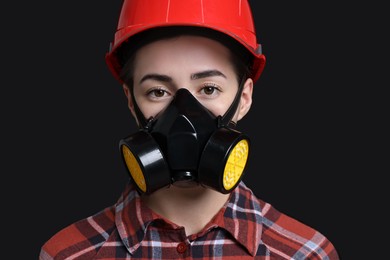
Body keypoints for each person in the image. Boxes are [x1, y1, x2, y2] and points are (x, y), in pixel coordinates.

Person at [39, 0, 339, 259]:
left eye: (208, 88)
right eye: (157, 92)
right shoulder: (69, 254)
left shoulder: (303, 254)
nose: (183, 112)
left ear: (244, 98)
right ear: (131, 101)